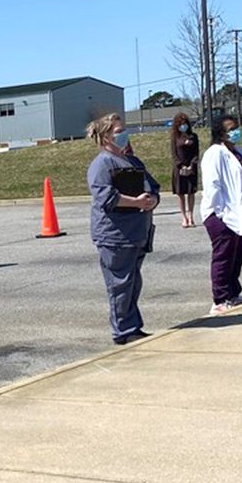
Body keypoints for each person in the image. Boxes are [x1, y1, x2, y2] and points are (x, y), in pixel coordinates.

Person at [85, 113, 161, 345]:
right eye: (118, 132)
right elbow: (106, 197)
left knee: (132, 283)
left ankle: (133, 325)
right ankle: (123, 331)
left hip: (136, 234)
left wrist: (152, 200)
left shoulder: (133, 161)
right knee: (119, 283)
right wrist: (136, 202)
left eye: (123, 130)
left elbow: (154, 187)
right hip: (115, 236)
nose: (124, 135)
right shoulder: (102, 164)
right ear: (105, 137)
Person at [200, 116, 242, 315]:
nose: (236, 132)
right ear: (221, 133)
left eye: (237, 127)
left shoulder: (240, 152)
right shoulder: (215, 153)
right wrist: (220, 214)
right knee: (223, 257)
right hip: (222, 216)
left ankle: (233, 292)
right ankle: (220, 298)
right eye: (231, 129)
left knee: (237, 255)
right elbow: (212, 185)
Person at [170, 112, 200, 228]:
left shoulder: (194, 136)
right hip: (179, 169)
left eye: (185, 123)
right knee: (181, 193)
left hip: (191, 168)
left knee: (191, 193)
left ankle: (191, 216)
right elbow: (174, 154)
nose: (183, 126)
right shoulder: (175, 137)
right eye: (181, 124)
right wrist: (181, 165)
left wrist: (191, 165)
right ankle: (184, 218)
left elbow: (196, 153)